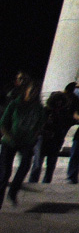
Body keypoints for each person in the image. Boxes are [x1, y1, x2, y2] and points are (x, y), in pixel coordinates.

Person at [0, 76, 44, 209]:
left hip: (26, 142)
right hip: (9, 142)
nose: (33, 93)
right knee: (4, 173)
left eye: (36, 91)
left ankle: (13, 191)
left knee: (25, 165)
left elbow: (40, 124)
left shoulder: (38, 108)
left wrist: (34, 137)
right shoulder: (15, 104)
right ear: (26, 91)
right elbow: (2, 124)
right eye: (31, 91)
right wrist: (9, 137)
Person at [34, 88, 74, 183]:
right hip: (42, 138)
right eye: (56, 101)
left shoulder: (63, 113)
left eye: (60, 101)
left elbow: (64, 125)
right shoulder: (45, 111)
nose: (58, 103)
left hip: (55, 139)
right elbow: (38, 124)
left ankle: (46, 182)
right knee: (37, 163)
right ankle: (33, 181)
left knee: (51, 164)